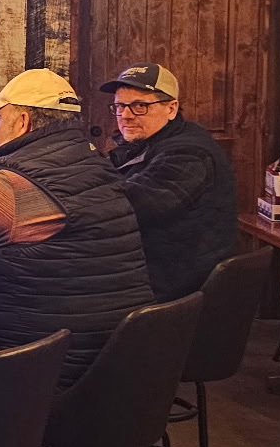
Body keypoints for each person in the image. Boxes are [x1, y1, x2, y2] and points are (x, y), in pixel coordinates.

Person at [0, 68, 154, 387]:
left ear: (23, 121)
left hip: (39, 374)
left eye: (0, 118)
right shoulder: (95, 165)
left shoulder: (9, 186)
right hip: (117, 366)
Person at [101, 63, 237, 300]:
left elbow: (132, 208)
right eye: (120, 106)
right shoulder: (143, 144)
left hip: (176, 287)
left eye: (140, 106)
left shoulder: (188, 154)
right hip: (157, 270)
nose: (125, 115)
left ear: (171, 108)